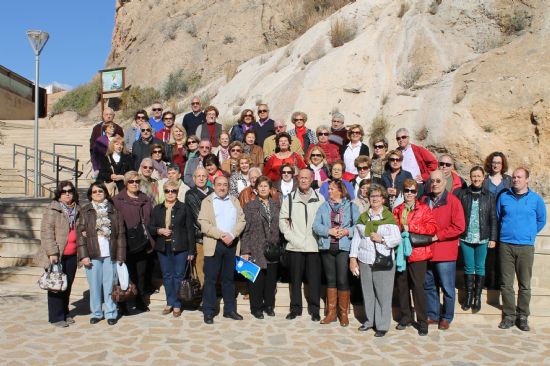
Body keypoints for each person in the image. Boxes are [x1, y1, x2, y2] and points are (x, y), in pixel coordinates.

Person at [496, 168, 546, 331]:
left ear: (527, 180)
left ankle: (523, 316)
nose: (516, 180)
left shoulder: (536, 199)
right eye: (514, 177)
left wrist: (529, 233)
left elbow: (541, 220)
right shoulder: (504, 196)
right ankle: (509, 316)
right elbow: (498, 217)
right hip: (506, 245)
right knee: (506, 283)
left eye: (519, 177)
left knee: (524, 284)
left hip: (525, 247)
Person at [350, 184, 401, 337]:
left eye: (378, 196)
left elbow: (397, 239)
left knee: (383, 294)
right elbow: (356, 240)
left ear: (383, 199)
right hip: (365, 260)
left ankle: (382, 325)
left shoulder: (388, 217)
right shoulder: (363, 218)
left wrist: (382, 239)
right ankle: (369, 321)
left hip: (383, 261)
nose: (375, 199)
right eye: (372, 196)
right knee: (368, 293)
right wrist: (353, 259)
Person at [198, 175, 246, 324]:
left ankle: (229, 310)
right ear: (214, 185)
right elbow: (203, 223)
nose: (222, 187)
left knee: (228, 279)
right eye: (219, 184)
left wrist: (232, 234)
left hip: (231, 244)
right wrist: (221, 235)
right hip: (214, 244)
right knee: (211, 279)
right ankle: (209, 311)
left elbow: (242, 220)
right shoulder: (207, 201)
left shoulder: (234, 200)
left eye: (225, 184)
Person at [421, 169, 465, 330]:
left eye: (438, 181)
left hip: (445, 252)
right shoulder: (424, 200)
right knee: (429, 286)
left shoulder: (453, 201)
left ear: (445, 183)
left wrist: (439, 235)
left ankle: (446, 317)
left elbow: (459, 226)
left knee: (447, 288)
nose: (434, 184)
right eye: (432, 181)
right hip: (427, 251)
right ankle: (433, 314)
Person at [393, 179, 438, 336]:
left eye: (412, 191)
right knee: (402, 286)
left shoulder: (424, 209)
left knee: (418, 288)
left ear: (417, 193)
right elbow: (393, 228)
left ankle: (422, 321)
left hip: (418, 253)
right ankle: (406, 317)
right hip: (401, 252)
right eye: (407, 190)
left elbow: (432, 228)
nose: (409, 194)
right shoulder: (397, 209)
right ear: (403, 192)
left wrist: (411, 227)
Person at [77, 182, 126, 325]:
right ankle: (97, 313)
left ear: (105, 193)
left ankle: (111, 313)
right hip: (92, 254)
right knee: (94, 285)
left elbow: (121, 236)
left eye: (100, 191)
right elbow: (80, 235)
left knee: (110, 285)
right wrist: (83, 255)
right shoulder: (86, 211)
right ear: (90, 195)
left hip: (110, 254)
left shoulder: (114, 212)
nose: (97, 193)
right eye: (94, 191)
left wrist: (120, 256)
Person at [279, 169, 325, 321]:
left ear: (312, 179)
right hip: (295, 245)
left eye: (307, 178)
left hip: (314, 246)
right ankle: (295, 308)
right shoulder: (290, 199)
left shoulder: (320, 198)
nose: (304, 180)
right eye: (302, 178)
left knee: (314, 280)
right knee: (295, 279)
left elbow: (324, 221)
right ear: (297, 179)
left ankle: (314, 309)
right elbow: (283, 221)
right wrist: (292, 238)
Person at [313, 180, 359, 326]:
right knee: (330, 280)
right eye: (329, 189)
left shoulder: (352, 206)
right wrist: (328, 231)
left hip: (344, 247)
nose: (329, 191)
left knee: (342, 280)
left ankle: (343, 313)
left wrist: (347, 231)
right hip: (327, 247)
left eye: (332, 189)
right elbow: (316, 226)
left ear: (340, 190)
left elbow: (358, 226)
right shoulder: (323, 206)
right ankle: (331, 313)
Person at [150, 180, 195, 318]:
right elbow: (150, 228)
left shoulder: (184, 208)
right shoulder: (157, 209)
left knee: (178, 276)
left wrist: (191, 251)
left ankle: (177, 304)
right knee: (167, 276)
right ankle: (169, 302)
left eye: (173, 191)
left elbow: (189, 230)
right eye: (167, 191)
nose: (170, 194)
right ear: (164, 192)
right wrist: (159, 230)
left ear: (177, 192)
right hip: (163, 247)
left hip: (180, 247)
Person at [38, 181, 80, 327]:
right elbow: (46, 231)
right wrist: (52, 252)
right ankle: (56, 317)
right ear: (59, 194)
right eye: (63, 191)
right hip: (57, 254)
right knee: (56, 285)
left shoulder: (77, 209)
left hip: (73, 253)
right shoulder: (53, 209)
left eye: (69, 191)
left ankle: (65, 312)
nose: (67, 194)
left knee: (67, 285)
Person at [456, 166, 497, 313]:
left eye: (479, 176)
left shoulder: (490, 196)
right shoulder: (463, 194)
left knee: (480, 267)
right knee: (468, 267)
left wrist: (493, 238)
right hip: (466, 237)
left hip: (483, 237)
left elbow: (493, 218)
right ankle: (468, 296)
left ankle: (477, 298)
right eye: (474, 176)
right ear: (470, 177)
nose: (476, 179)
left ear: (484, 177)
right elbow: (458, 216)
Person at [113, 171, 154, 312]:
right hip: (125, 242)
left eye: (137, 181)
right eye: (131, 181)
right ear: (126, 183)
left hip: (142, 241)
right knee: (124, 274)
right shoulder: (118, 200)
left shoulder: (145, 199)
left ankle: (140, 300)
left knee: (140, 274)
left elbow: (151, 218)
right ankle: (122, 302)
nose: (135, 184)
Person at [240, 176, 281, 318]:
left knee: (271, 280)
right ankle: (256, 308)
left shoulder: (276, 205)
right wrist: (245, 250)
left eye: (266, 186)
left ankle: (269, 306)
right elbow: (245, 230)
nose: (263, 188)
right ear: (256, 189)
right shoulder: (250, 206)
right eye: (260, 186)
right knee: (256, 280)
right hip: (255, 247)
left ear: (270, 189)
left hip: (272, 248)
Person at [482, 151, 512, 290]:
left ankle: (500, 282)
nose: (496, 165)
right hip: (487, 222)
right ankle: (488, 281)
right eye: (494, 162)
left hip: (504, 222)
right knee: (488, 253)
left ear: (502, 164)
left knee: (502, 253)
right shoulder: (485, 180)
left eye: (499, 162)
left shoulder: (509, 180)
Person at [184, 167, 213, 287]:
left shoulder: (213, 192)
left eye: (204, 176)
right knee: (200, 268)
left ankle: (212, 293)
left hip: (213, 237)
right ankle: (202, 295)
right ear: (194, 178)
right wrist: (214, 229)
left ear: (207, 178)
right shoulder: (190, 194)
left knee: (211, 268)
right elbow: (198, 217)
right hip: (199, 237)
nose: (201, 178)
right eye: (198, 176)